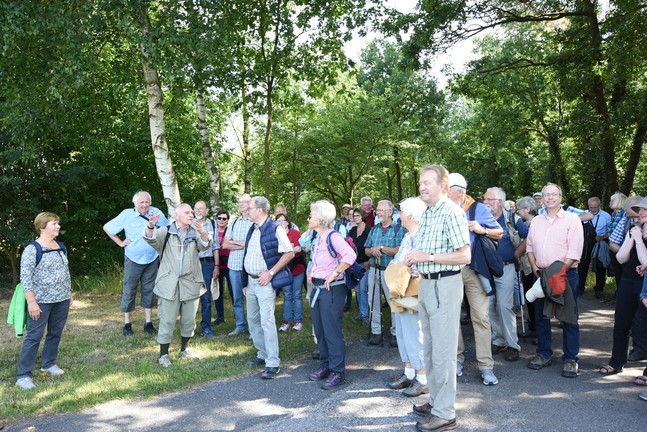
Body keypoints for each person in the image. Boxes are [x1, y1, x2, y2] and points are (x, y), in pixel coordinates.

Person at [404, 164, 470, 431]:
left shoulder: (452, 212)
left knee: (443, 353)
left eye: (427, 182)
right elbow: (428, 251)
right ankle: (436, 401)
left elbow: (465, 256)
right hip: (428, 285)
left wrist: (426, 258)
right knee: (430, 350)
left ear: (443, 185)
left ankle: (445, 413)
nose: (421, 187)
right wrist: (415, 261)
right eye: (420, 182)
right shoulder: (429, 212)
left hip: (445, 285)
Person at [447, 173, 502, 385]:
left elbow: (499, 233)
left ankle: (486, 367)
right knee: (452, 318)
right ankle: (457, 360)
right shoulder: (442, 209)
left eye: (447, 190)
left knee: (481, 318)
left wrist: (481, 229)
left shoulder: (477, 209)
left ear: (460, 191)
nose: (443, 194)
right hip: (449, 269)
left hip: (473, 269)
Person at [144, 204, 213, 368]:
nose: (191, 215)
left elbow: (206, 245)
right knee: (167, 320)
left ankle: (185, 349)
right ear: (176, 216)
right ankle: (163, 355)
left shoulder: (195, 232)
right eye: (187, 212)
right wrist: (150, 225)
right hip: (169, 284)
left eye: (192, 212)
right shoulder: (165, 232)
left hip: (191, 283)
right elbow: (149, 238)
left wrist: (202, 231)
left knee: (189, 319)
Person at [526, 183, 583, 378]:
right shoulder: (536, 221)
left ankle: (570, 359)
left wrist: (558, 272)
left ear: (561, 197)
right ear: (542, 198)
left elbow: (574, 251)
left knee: (568, 317)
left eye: (554, 194)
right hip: (541, 275)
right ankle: (543, 354)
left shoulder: (572, 220)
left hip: (565, 276)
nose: (550, 198)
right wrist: (534, 267)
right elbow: (530, 247)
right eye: (546, 195)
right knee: (542, 316)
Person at [15, 212, 73, 390]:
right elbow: (26, 278)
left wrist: (69, 293)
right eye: (54, 224)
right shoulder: (32, 249)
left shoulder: (60, 246)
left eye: (58, 223)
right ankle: (23, 375)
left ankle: (48, 363)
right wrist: (32, 303)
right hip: (41, 302)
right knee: (34, 337)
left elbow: (66, 271)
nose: (58, 226)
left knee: (55, 332)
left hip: (61, 299)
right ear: (42, 227)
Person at [104, 191, 170, 336]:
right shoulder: (127, 214)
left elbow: (168, 229)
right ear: (135, 204)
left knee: (150, 289)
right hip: (133, 258)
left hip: (152, 258)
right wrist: (120, 242)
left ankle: (148, 322)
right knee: (130, 288)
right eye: (141, 202)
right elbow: (107, 228)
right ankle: (127, 323)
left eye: (147, 202)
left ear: (150, 203)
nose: (145, 205)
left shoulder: (156, 212)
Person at [307, 200, 357, 390]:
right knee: (319, 330)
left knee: (332, 331)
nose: (309, 218)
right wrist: (313, 272)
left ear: (320, 219)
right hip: (318, 289)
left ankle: (338, 371)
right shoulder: (319, 236)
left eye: (311, 215)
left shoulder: (333, 236)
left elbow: (350, 256)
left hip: (332, 289)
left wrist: (335, 273)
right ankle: (326, 365)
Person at [243, 197, 294, 379]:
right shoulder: (253, 228)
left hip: (265, 282)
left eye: (250, 208)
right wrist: (245, 283)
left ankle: (273, 363)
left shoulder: (274, 228)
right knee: (253, 320)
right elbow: (248, 254)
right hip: (251, 282)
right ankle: (262, 354)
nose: (247, 211)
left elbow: (289, 252)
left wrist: (271, 273)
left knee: (267, 321)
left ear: (260, 210)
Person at [598, 197, 647, 375]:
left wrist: (639, 240)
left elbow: (646, 260)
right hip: (628, 279)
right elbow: (621, 258)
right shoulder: (634, 230)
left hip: (645, 283)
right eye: (639, 210)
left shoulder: (640, 234)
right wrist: (633, 237)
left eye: (644, 210)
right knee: (621, 323)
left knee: (642, 326)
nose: (639, 213)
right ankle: (616, 362)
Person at [386, 197, 429, 397]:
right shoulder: (407, 236)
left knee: (414, 333)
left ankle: (423, 378)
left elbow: (421, 265)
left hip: (412, 290)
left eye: (401, 212)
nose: (399, 216)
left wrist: (403, 268)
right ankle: (409, 372)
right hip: (400, 289)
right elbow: (398, 260)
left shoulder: (422, 236)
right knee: (402, 332)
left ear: (410, 215)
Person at [484, 187, 528, 362]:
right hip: (486, 269)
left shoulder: (512, 218)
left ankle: (512, 345)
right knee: (489, 305)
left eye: (488, 200)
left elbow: (527, 237)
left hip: (507, 267)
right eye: (485, 199)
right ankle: (498, 340)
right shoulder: (482, 218)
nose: (485, 202)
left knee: (504, 305)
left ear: (499, 202)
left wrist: (516, 254)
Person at [364, 199, 406, 347]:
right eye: (377, 210)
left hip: (391, 271)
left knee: (393, 302)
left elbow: (399, 250)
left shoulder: (399, 229)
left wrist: (381, 248)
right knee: (372, 301)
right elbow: (366, 249)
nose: (378, 212)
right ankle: (376, 332)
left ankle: (396, 332)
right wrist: (372, 251)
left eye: (381, 210)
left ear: (389, 212)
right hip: (374, 269)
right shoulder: (374, 229)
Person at [223, 194, 253, 337]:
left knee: (252, 298)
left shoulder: (254, 222)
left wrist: (235, 242)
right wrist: (243, 243)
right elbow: (225, 244)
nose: (240, 204)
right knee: (237, 298)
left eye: (244, 202)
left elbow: (253, 244)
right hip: (234, 266)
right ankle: (240, 326)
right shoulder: (234, 222)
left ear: (250, 203)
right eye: (239, 202)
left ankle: (254, 328)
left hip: (250, 267)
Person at [275, 213, 306, 331]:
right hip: (284, 270)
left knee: (297, 295)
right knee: (287, 295)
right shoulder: (276, 235)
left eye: (282, 221)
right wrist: (290, 248)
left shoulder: (295, 233)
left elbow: (298, 249)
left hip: (297, 268)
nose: (280, 224)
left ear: (287, 222)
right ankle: (286, 321)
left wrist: (285, 250)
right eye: (277, 221)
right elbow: (277, 252)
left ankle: (298, 321)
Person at [194, 201, 219, 336]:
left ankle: (206, 327)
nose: (199, 211)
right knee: (189, 296)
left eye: (201, 209)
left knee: (206, 296)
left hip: (207, 264)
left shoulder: (212, 224)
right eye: (196, 209)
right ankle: (189, 327)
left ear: (206, 210)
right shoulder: (188, 223)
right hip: (191, 264)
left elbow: (215, 247)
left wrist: (216, 266)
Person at [515, 196, 540, 334]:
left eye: (519, 209)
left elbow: (527, 243)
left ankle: (536, 326)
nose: (518, 212)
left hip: (532, 266)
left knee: (532, 295)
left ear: (527, 210)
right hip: (528, 265)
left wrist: (516, 254)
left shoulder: (535, 223)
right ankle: (533, 323)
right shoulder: (529, 223)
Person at [579, 197, 611, 298]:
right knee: (582, 265)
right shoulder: (582, 214)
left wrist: (602, 237)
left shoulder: (606, 216)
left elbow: (610, 230)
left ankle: (599, 290)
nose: (593, 210)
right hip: (586, 243)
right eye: (591, 207)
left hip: (600, 242)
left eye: (595, 207)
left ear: (599, 206)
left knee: (600, 265)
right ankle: (580, 288)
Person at [349, 208, 371, 326]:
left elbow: (373, 246)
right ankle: (362, 313)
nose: (355, 217)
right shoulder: (352, 230)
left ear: (362, 216)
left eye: (357, 215)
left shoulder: (369, 230)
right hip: (355, 264)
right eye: (354, 216)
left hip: (366, 263)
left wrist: (369, 261)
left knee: (363, 289)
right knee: (358, 290)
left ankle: (365, 315)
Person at [214, 209, 232, 326]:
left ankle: (238, 315)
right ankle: (220, 316)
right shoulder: (212, 231)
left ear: (227, 221)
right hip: (216, 266)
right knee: (217, 291)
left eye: (224, 219)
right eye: (219, 218)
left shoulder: (230, 231)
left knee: (233, 291)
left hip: (229, 265)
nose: (221, 220)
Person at [607, 192, 628, 291]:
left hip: (621, 247)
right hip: (612, 247)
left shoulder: (625, 213)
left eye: (612, 200)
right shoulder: (613, 214)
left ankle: (622, 292)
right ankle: (619, 292)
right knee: (617, 271)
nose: (610, 202)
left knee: (623, 271)